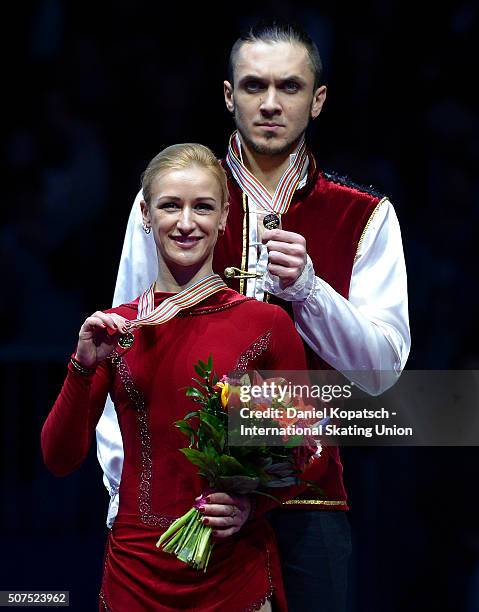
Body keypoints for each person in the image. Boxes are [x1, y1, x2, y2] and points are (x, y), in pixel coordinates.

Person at [96, 21, 411, 612]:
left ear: (317, 100)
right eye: (253, 86)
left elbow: (384, 373)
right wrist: (121, 494)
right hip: (185, 498)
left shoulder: (365, 216)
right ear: (227, 95)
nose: (270, 103)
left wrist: (311, 292)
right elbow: (124, 346)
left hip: (309, 494)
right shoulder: (172, 201)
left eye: (289, 87)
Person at [41, 143, 331, 611]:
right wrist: (81, 368)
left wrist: (252, 505)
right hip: (134, 575)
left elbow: (308, 450)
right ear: (145, 213)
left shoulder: (264, 325)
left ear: (224, 218)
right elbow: (59, 457)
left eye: (203, 207)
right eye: (170, 205)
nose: (186, 222)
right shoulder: (115, 329)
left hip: (232, 577)